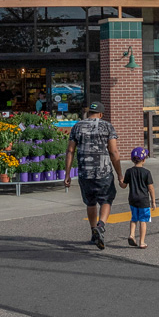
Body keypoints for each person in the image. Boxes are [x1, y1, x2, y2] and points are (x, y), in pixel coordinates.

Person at [64, 102, 121, 249]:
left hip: (85, 172)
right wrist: (120, 174)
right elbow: (113, 152)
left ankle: (92, 232)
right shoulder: (107, 126)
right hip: (103, 171)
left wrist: (68, 174)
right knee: (106, 200)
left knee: (90, 202)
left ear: (89, 112)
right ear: (101, 114)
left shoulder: (77, 126)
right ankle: (100, 226)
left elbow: (70, 151)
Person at [122, 146, 156, 248]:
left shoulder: (129, 171)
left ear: (132, 160)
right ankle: (142, 242)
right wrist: (153, 201)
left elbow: (124, 185)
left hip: (132, 199)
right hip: (143, 200)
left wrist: (120, 181)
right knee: (143, 221)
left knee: (134, 218)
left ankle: (132, 235)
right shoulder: (146, 172)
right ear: (144, 160)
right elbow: (151, 188)